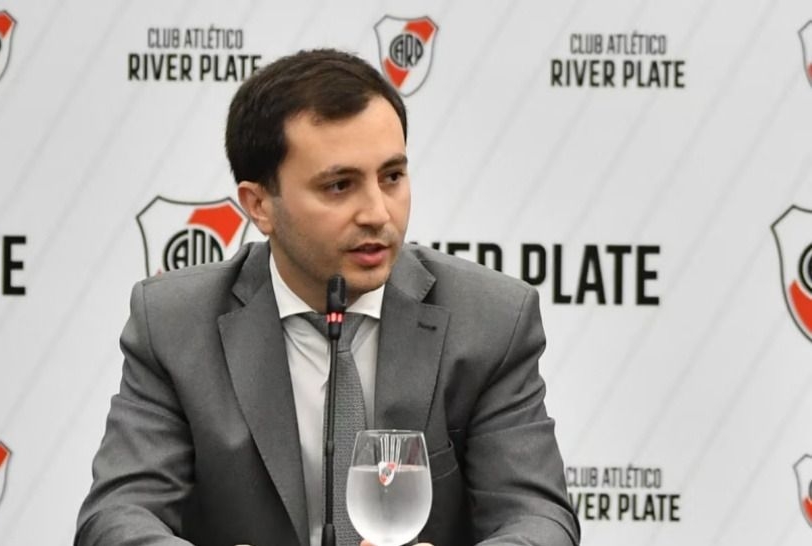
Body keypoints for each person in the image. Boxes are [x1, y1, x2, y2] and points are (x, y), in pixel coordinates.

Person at [76, 48, 580, 546]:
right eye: (340, 186)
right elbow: (117, 517)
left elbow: (539, 522)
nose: (377, 213)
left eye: (392, 177)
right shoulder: (175, 324)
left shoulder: (489, 321)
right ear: (259, 205)